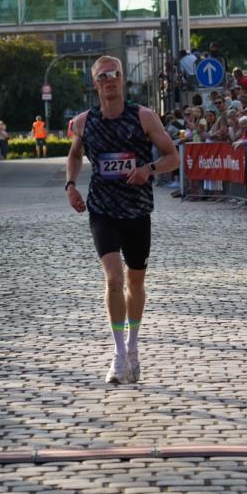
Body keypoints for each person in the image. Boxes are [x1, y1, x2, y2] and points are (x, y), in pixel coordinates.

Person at [65, 55, 179, 385]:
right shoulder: (85, 122)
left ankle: (133, 348)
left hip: (137, 210)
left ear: (123, 79)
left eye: (115, 74)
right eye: (103, 76)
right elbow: (74, 156)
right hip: (102, 210)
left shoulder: (143, 117)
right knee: (114, 279)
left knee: (135, 282)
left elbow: (173, 156)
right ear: (95, 83)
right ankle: (117, 356)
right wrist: (71, 185)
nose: (109, 80)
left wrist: (149, 169)